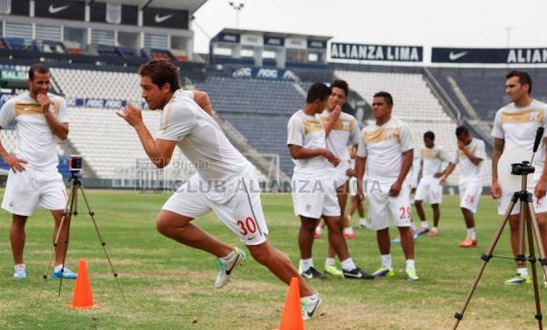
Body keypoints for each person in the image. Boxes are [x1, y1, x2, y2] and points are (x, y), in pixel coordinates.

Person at [117, 60, 321, 320]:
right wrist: (211, 125)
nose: (143, 95)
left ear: (166, 87)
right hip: (207, 178)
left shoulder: (176, 110)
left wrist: (138, 124)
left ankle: (309, 296)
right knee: (167, 223)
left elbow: (160, 160)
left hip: (235, 183)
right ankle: (227, 255)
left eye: (147, 88)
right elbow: (203, 96)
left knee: (261, 251)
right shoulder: (183, 96)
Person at [0, 63, 76, 280]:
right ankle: (19, 267)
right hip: (24, 170)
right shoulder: (15, 104)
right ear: (30, 82)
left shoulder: (58, 103)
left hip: (50, 172)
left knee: (63, 216)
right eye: (40, 82)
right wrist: (6, 156)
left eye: (47, 82)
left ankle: (59, 267)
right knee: (19, 220)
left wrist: (47, 112)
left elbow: (63, 134)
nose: (44, 87)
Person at [288, 82, 373, 280]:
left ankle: (348, 268)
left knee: (335, 222)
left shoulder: (318, 121)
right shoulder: (296, 120)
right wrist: (324, 152)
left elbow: (326, 144)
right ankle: (306, 266)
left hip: (325, 177)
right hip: (308, 179)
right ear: (319, 100)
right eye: (328, 98)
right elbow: (295, 152)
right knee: (309, 224)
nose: (330, 102)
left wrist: (338, 160)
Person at [490, 70, 547, 285]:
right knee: (514, 222)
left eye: (512, 86)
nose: (507, 90)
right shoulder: (502, 114)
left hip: (534, 173)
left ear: (525, 87)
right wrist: (495, 179)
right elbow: (497, 149)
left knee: (541, 222)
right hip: (509, 175)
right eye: (506, 86)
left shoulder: (544, 110)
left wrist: (544, 179)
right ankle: (521, 271)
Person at [356, 91, 419, 281]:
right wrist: (360, 184)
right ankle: (386, 265)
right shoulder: (366, 131)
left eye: (380, 104)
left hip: (396, 184)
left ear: (390, 107)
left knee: (403, 224)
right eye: (374, 104)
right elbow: (360, 158)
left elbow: (408, 154)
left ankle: (410, 267)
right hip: (374, 185)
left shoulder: (401, 127)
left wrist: (399, 181)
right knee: (380, 226)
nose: (375, 107)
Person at [312, 79, 362, 276]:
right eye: (332, 95)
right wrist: (333, 117)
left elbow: (358, 145)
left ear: (345, 99)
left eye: (340, 96)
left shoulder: (350, 121)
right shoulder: (316, 117)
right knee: (312, 220)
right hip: (319, 174)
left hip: (341, 176)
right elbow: (317, 139)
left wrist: (352, 166)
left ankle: (330, 262)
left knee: (338, 221)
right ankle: (306, 264)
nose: (335, 99)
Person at [439, 126, 486, 248]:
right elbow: (453, 163)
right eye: (459, 139)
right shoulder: (459, 147)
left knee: (464, 207)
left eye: (462, 138)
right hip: (463, 182)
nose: (461, 141)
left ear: (467, 134)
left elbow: (476, 161)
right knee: (467, 210)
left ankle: (472, 238)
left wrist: (464, 150)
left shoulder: (478, 144)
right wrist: (445, 175)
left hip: (475, 180)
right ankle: (470, 237)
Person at [413, 131, 451, 237]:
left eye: (428, 141)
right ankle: (424, 225)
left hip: (435, 180)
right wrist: (419, 175)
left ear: (432, 140)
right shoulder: (422, 148)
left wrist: (443, 173)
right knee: (417, 202)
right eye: (424, 141)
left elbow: (451, 161)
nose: (426, 143)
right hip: (424, 179)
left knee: (434, 205)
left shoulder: (439, 150)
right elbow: (421, 162)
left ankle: (434, 228)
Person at [347, 146, 368, 229]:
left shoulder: (359, 146)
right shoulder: (353, 145)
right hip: (354, 175)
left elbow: (352, 155)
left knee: (355, 199)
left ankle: (346, 220)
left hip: (359, 175)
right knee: (358, 200)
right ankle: (363, 222)